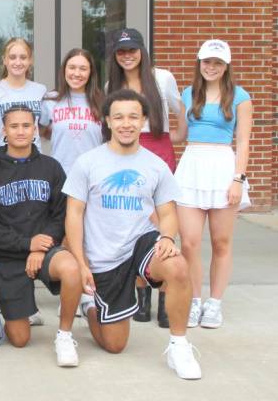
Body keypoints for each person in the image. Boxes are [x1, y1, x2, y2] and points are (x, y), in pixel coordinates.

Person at [63, 89, 202, 380]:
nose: (126, 123)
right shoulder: (87, 163)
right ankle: (90, 306)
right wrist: (81, 262)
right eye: (119, 117)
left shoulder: (156, 165)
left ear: (144, 122)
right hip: (104, 259)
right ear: (108, 122)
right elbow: (73, 216)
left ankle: (179, 345)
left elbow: (167, 214)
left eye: (133, 117)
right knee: (114, 345)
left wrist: (166, 237)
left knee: (177, 266)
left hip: (142, 243)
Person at [0, 105, 82, 366]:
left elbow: (61, 215)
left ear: (35, 129)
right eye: (14, 126)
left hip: (45, 251)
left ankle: (65, 335)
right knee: (20, 339)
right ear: (4, 131)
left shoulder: (51, 167)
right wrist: (26, 244)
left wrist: (39, 247)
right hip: (10, 257)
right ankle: (22, 307)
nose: (21, 131)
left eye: (26, 125)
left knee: (71, 269)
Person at [172, 39, 252, 329]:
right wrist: (146, 133)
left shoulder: (240, 97)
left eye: (217, 62)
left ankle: (214, 303)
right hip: (191, 166)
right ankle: (194, 301)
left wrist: (237, 179)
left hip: (223, 168)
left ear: (226, 66)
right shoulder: (188, 93)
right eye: (207, 61)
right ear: (200, 63)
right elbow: (180, 134)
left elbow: (243, 141)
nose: (211, 67)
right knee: (190, 243)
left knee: (221, 242)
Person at [106, 28, 182, 327]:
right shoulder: (115, 82)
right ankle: (141, 295)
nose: (127, 56)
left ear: (142, 51)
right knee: (136, 221)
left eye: (132, 50)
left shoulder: (161, 77)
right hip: (128, 150)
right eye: (121, 51)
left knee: (163, 221)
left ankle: (164, 295)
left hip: (158, 148)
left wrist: (174, 137)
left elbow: (180, 111)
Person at [0, 38, 46, 163]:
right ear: (5, 60)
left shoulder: (40, 91)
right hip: (1, 163)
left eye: (23, 57)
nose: (18, 62)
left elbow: (44, 128)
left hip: (34, 162)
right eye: (12, 57)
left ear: (30, 61)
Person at [40, 48, 104, 175]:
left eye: (83, 69)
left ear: (91, 72)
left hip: (93, 175)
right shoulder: (50, 100)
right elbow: (38, 134)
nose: (77, 73)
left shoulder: (102, 102)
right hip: (59, 176)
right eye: (72, 67)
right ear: (64, 70)